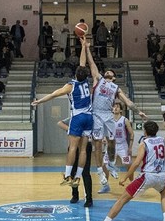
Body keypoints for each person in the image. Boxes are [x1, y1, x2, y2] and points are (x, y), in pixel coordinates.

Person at [83, 36, 147, 187]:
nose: (107, 74)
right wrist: (86, 48)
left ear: (114, 77)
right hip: (96, 114)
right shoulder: (98, 80)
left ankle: (111, 163)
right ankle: (100, 172)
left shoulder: (116, 89)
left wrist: (139, 112)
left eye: (109, 73)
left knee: (112, 143)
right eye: (106, 72)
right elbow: (91, 63)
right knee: (98, 145)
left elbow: (128, 102)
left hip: (108, 115)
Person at [31, 40, 93, 188]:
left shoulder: (70, 86)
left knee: (72, 147)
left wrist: (39, 102)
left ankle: (67, 175)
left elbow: (53, 95)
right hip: (89, 117)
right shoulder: (86, 82)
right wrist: (84, 46)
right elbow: (83, 62)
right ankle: (78, 178)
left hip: (77, 117)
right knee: (83, 149)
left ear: (75, 73)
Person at [92, 120, 165, 221]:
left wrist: (125, 177)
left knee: (122, 199)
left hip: (148, 176)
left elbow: (136, 163)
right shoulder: (162, 140)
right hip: (162, 175)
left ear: (145, 131)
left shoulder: (144, 143)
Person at [98, 102, 135, 194]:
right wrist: (103, 138)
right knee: (104, 165)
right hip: (111, 146)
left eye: (117, 107)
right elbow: (103, 131)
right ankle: (106, 186)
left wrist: (130, 147)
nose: (115, 108)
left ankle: (133, 184)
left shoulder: (124, 120)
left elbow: (132, 133)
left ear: (121, 110)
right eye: (114, 107)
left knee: (128, 164)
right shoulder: (108, 120)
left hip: (122, 146)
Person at [57, 118, 93, 208]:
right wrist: (72, 129)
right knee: (72, 172)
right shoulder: (74, 117)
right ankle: (75, 194)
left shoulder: (89, 117)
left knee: (85, 173)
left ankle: (89, 199)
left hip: (85, 147)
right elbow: (59, 123)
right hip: (74, 147)